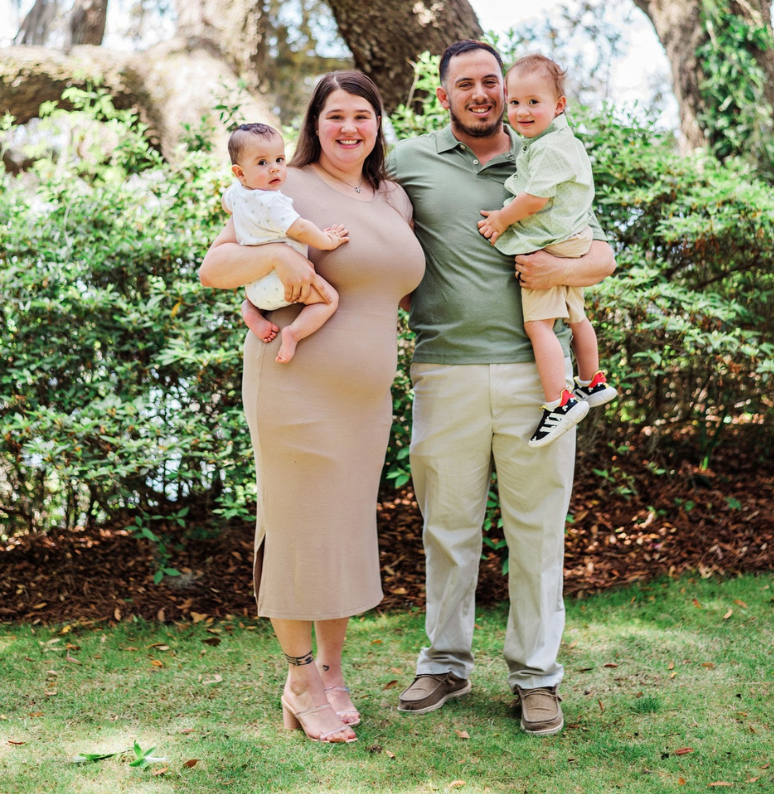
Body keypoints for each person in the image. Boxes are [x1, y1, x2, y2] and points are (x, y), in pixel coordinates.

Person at [387, 40, 616, 735]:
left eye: (493, 81)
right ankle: (445, 664)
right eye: (468, 84)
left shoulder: (545, 151)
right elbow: (365, 229)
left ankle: (537, 679)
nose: (484, 94)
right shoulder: (407, 162)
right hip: (444, 372)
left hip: (535, 379)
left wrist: (559, 272)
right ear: (444, 94)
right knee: (447, 531)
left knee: (537, 534)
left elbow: (601, 254)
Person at [199, 72, 425, 744]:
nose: (349, 128)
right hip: (295, 387)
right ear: (314, 124)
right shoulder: (283, 183)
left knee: (343, 530)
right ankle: (299, 684)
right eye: (335, 117)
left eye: (362, 115)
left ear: (378, 124)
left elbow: (394, 288)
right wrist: (271, 253)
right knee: (299, 531)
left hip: (364, 400)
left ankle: (330, 671)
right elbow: (216, 269)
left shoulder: (391, 196)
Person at [477, 54, 617, 447]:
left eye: (533, 102)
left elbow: (535, 198)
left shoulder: (550, 148)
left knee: (539, 325)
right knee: (576, 316)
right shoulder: (552, 141)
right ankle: (593, 382)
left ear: (558, 106)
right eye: (515, 101)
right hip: (572, 241)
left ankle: (561, 401)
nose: (522, 111)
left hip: (549, 244)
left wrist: (502, 219)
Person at [223, 122, 346, 363]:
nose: (274, 169)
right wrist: (328, 241)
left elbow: (226, 204)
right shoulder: (272, 202)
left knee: (249, 302)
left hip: (255, 288)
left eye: (279, 160)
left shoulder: (236, 193)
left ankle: (250, 313)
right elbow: (300, 228)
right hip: (284, 284)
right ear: (239, 172)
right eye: (262, 163)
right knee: (329, 299)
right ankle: (294, 333)